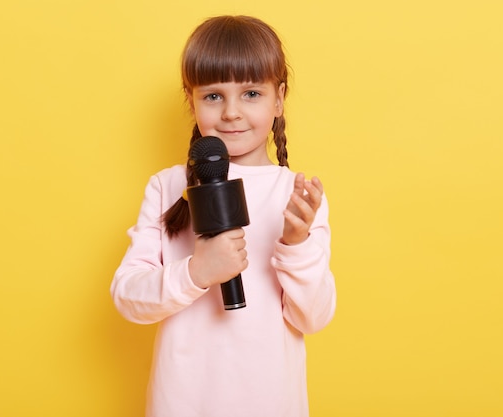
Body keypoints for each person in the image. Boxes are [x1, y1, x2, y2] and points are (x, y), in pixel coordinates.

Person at [111, 15, 336, 417]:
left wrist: (296, 246)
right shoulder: (167, 186)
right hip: (182, 403)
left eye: (251, 93)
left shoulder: (295, 197)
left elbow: (314, 317)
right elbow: (128, 297)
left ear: (279, 97)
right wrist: (197, 271)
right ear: (191, 99)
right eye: (213, 96)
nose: (231, 112)